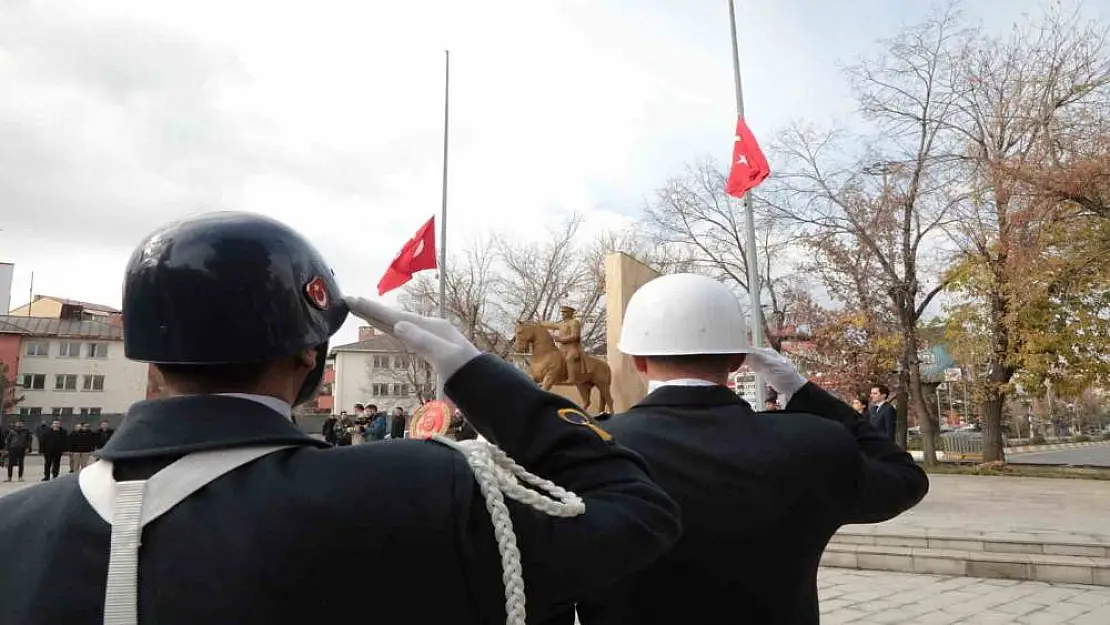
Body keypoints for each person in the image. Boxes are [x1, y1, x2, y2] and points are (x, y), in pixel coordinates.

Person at [0, 211, 680, 625]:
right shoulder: (416, 489)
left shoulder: (14, 527)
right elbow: (636, 509)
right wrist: (475, 372)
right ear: (311, 352)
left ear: (145, 352)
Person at [565, 273, 929, 625]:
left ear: (637, 362)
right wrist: (801, 390)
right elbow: (906, 477)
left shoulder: (587, 450)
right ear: (739, 361)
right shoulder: (814, 442)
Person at [541, 305, 585, 384]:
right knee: (553, 359)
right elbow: (552, 325)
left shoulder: (574, 322)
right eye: (562, 312)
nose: (563, 314)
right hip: (562, 349)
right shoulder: (562, 324)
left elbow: (575, 336)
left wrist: (560, 339)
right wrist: (538, 324)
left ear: (570, 313)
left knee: (569, 358)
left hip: (572, 348)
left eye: (565, 312)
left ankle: (571, 379)